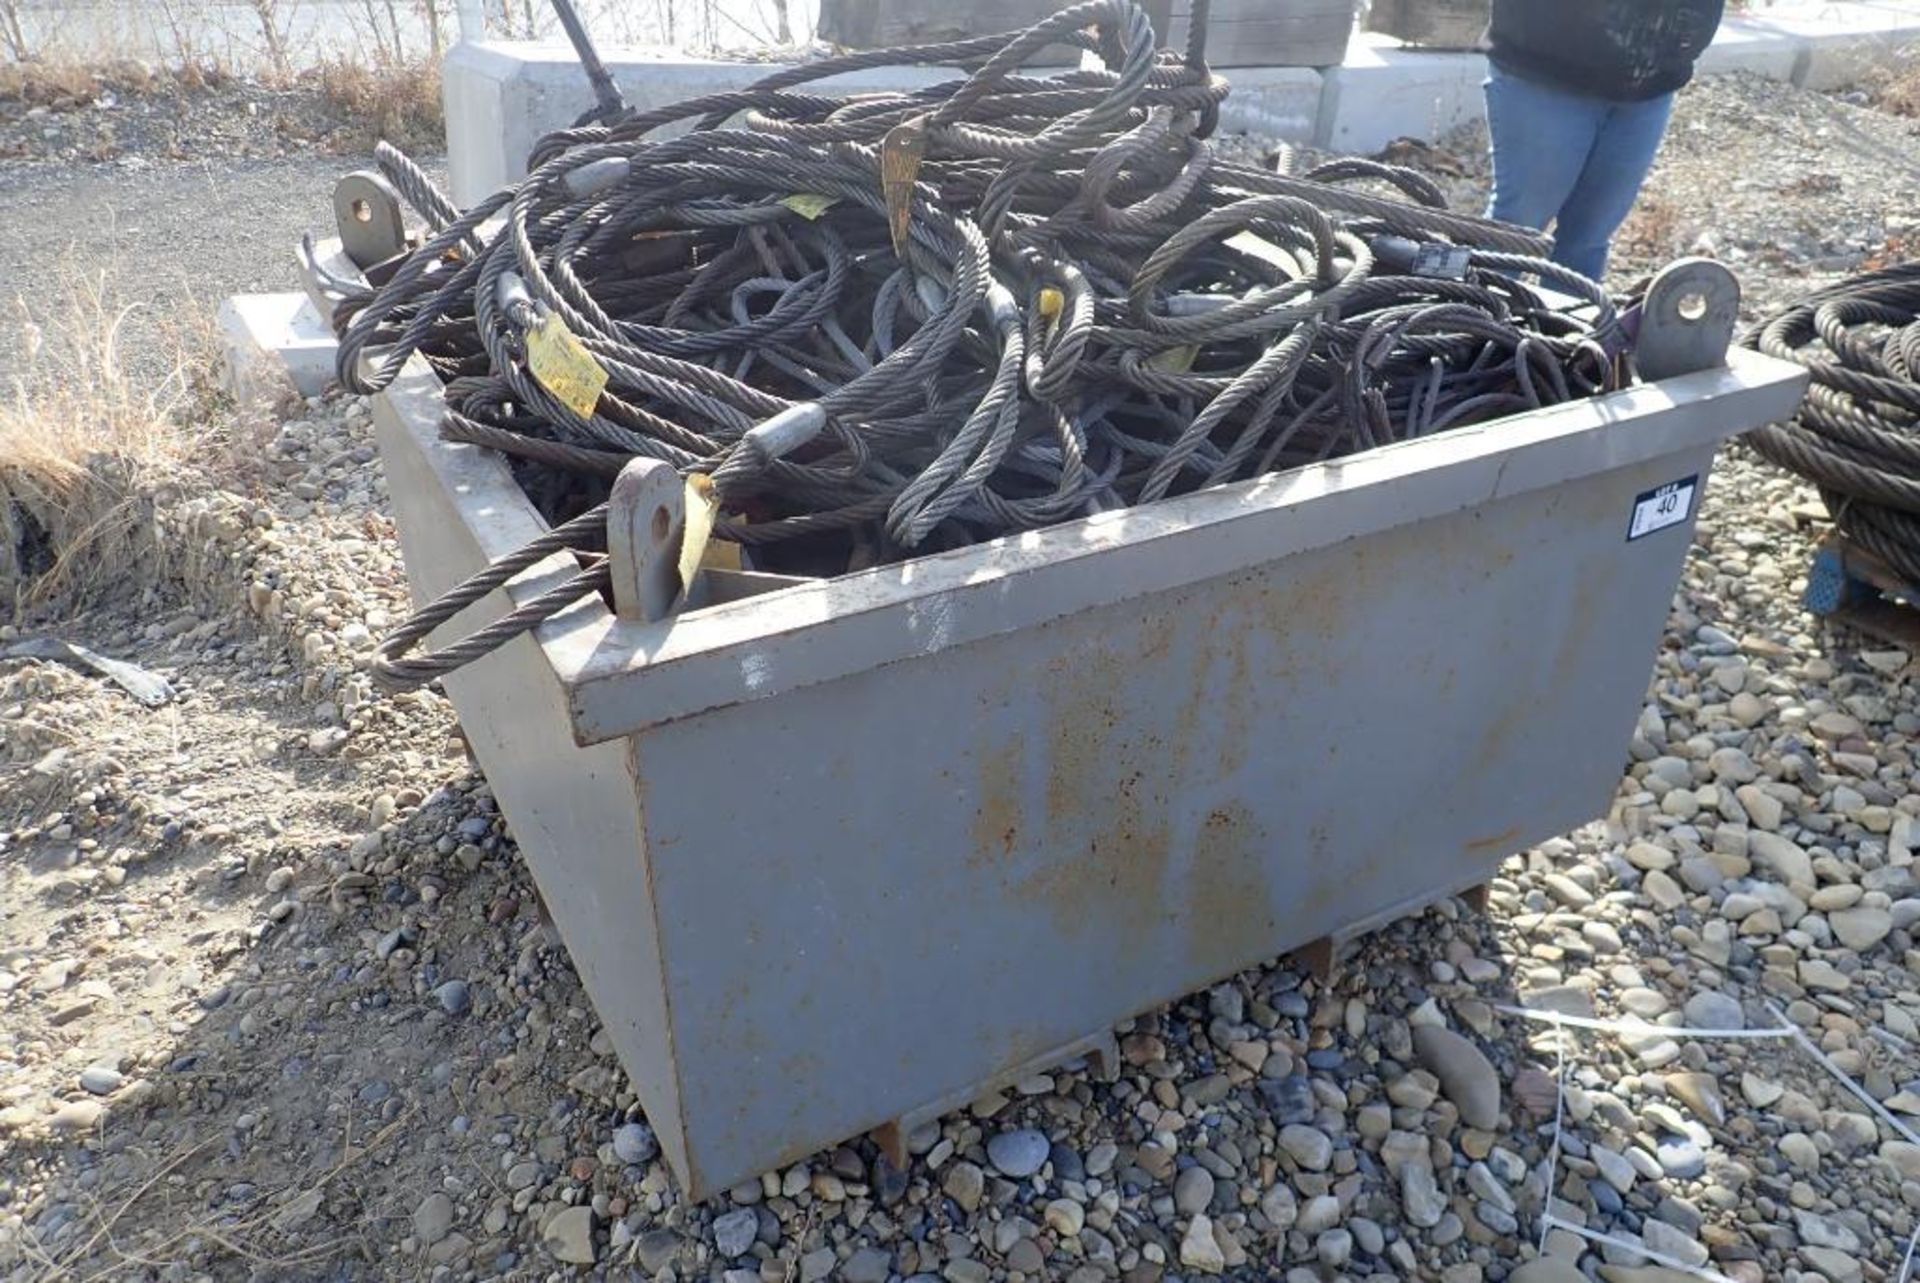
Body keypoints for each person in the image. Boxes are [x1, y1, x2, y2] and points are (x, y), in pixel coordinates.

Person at [1483, 0, 1726, 282]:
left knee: (1589, 237)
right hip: (1544, 67)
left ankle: (1565, 322)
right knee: (1518, 225)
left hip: (1651, 82)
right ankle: (1477, 319)